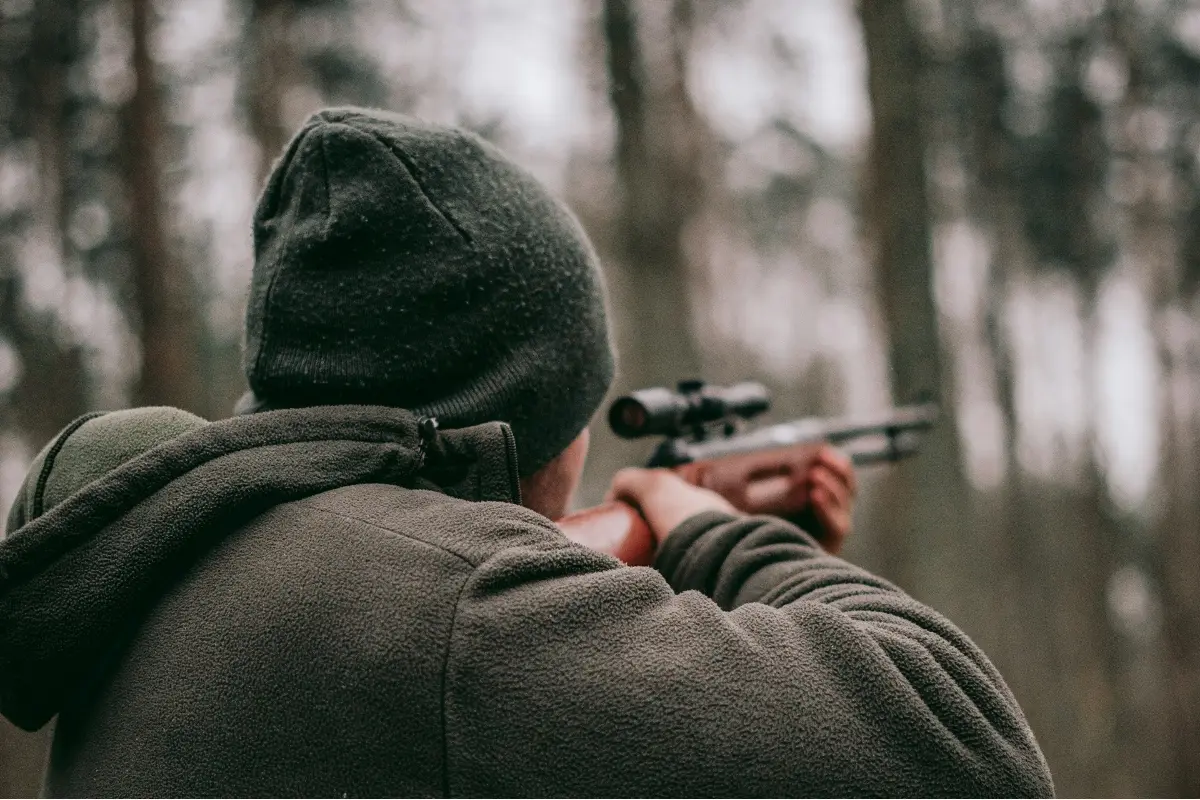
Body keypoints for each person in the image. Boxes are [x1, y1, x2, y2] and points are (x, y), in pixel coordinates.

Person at [0, 108, 1053, 797]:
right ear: (521, 420)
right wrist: (719, 539)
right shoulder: (450, 607)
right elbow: (968, 753)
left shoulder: (183, 555)